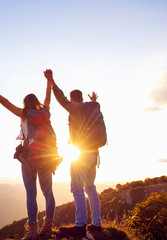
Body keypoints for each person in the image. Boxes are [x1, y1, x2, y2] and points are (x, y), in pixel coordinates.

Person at [0, 71, 61, 240]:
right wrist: (49, 81)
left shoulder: (24, 114)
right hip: (47, 157)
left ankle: (33, 231)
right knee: (48, 193)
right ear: (37, 102)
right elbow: (48, 98)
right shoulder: (46, 111)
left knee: (31, 194)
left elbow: (6, 103)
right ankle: (47, 228)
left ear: (25, 103)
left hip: (30, 159)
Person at [44, 69, 102, 238]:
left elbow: (60, 98)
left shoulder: (74, 109)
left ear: (72, 100)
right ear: (83, 99)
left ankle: (80, 225)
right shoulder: (91, 108)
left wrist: (52, 82)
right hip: (94, 154)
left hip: (81, 154)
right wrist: (93, 102)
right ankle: (96, 224)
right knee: (90, 187)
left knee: (76, 188)